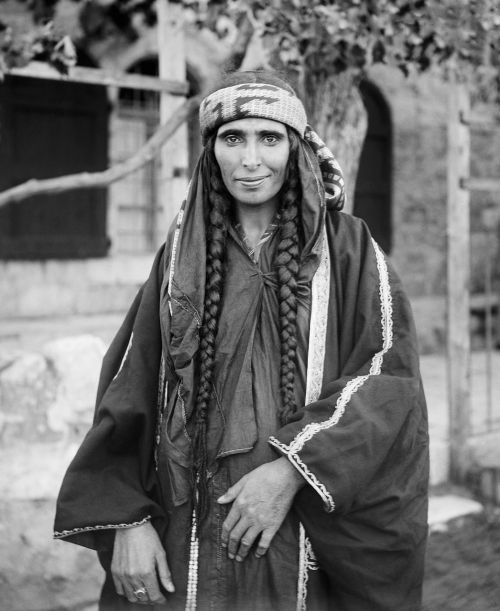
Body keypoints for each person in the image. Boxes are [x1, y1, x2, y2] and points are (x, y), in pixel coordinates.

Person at [54, 70, 429, 611]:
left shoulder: (348, 253)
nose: (251, 160)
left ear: (296, 149)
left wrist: (290, 470)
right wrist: (127, 519)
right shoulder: (181, 257)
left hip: (298, 536)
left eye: (269, 138)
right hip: (186, 531)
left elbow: (387, 376)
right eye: (234, 138)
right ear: (212, 153)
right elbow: (130, 386)